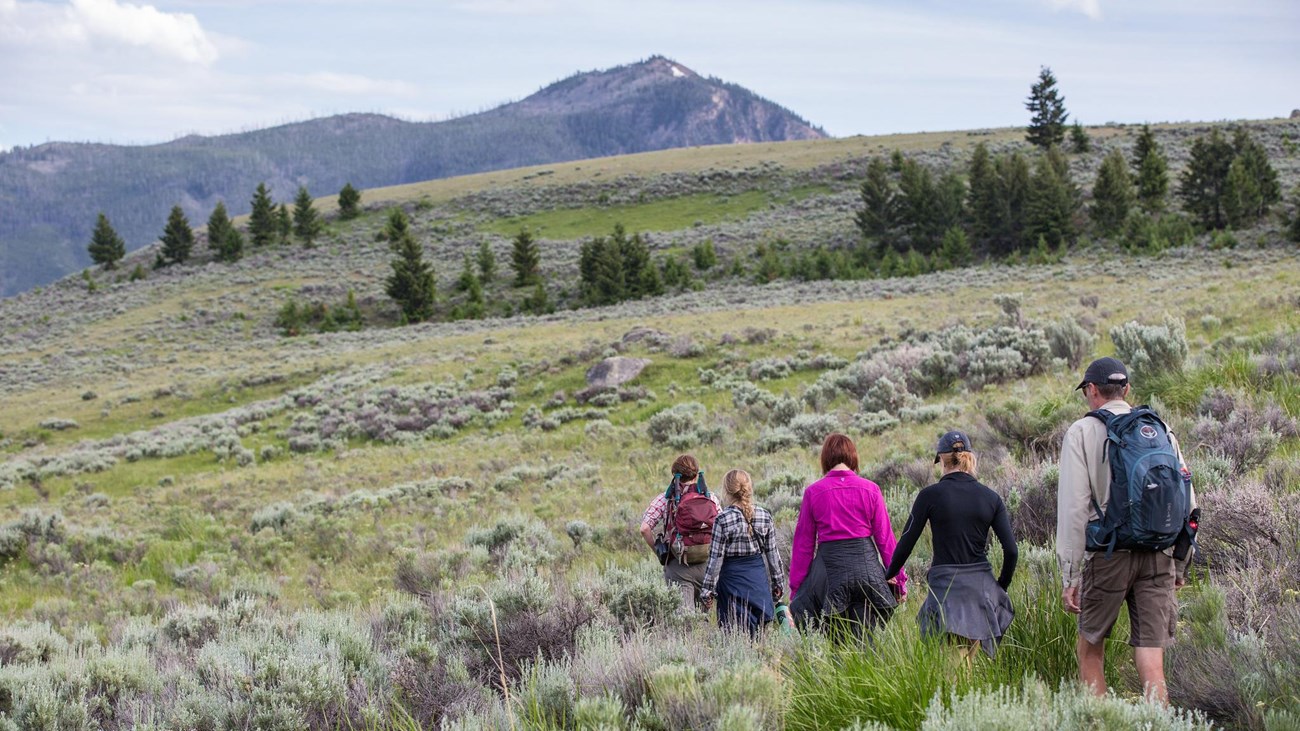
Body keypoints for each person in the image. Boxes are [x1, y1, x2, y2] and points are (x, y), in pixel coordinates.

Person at [1057, 357, 1197, 705]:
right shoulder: (1160, 428)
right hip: (1159, 554)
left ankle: (1103, 724)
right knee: (1152, 660)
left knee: (1090, 649)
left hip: (1108, 556)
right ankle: (1162, 727)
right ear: (1127, 389)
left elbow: (1074, 510)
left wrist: (1070, 576)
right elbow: (1188, 501)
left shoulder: (1082, 432)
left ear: (1091, 390)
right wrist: (1181, 562)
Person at [885, 430, 1017, 660]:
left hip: (946, 587)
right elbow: (1011, 551)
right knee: (968, 663)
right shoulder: (990, 497)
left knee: (952, 668)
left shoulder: (930, 495)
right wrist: (999, 587)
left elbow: (907, 541)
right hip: (980, 586)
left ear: (941, 460)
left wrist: (890, 573)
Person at [788, 433, 903, 636]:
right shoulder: (871, 489)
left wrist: (796, 589)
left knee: (835, 638)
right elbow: (885, 540)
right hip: (867, 570)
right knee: (867, 638)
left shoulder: (814, 492)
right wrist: (899, 580)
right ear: (853, 456)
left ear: (825, 457)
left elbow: (803, 545)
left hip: (830, 572)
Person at [699, 469, 787, 636]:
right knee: (760, 636)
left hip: (731, 583)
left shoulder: (722, 519)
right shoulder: (764, 515)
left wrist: (707, 591)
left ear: (727, 490)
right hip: (757, 583)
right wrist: (778, 584)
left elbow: (715, 560)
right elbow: (773, 556)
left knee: (733, 634)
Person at [639, 454, 720, 610]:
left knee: (684, 621)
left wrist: (659, 553)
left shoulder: (664, 499)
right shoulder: (711, 498)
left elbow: (644, 528)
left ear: (674, 475)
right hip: (707, 565)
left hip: (678, 567)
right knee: (703, 618)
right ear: (696, 475)